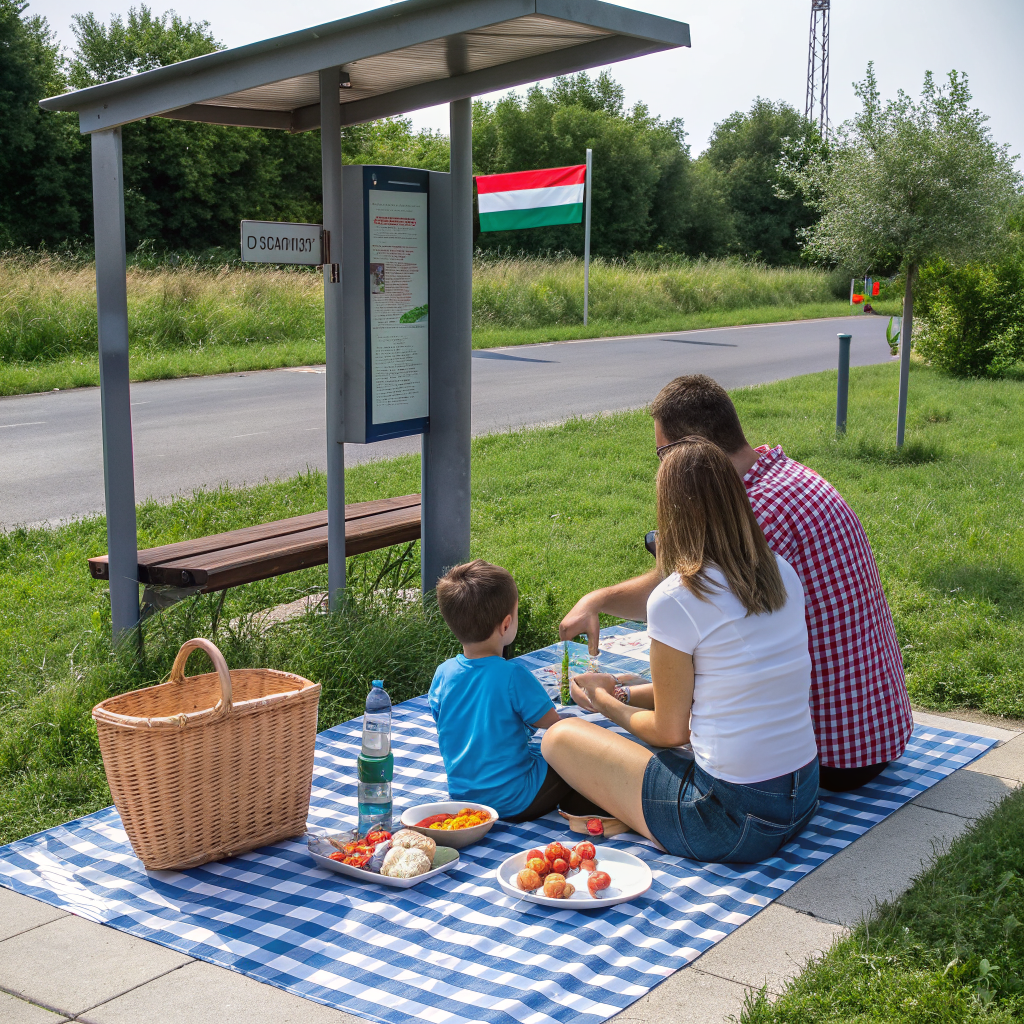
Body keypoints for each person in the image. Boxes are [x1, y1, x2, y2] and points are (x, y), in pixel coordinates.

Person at [560, 374, 913, 792]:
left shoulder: (753, 519)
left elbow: (682, 617)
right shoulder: (788, 477)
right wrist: (600, 604)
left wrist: (609, 695)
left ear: (687, 454)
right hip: (873, 730)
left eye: (661, 455)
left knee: (589, 744)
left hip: (823, 754)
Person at [543, 438, 819, 862]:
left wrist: (602, 702)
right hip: (801, 799)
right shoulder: (780, 572)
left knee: (560, 737)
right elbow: (722, 686)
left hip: (732, 822)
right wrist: (623, 692)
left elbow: (671, 732)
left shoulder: (677, 598)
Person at [430, 559, 576, 821]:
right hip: (515, 800)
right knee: (575, 756)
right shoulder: (512, 675)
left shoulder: (443, 673)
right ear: (506, 624)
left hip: (465, 799)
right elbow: (558, 729)